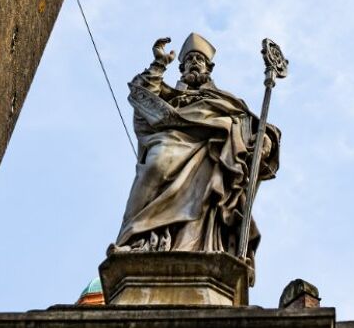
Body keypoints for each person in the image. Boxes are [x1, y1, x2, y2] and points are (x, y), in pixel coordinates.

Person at [112, 33, 279, 262]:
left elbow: (247, 123)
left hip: (210, 150)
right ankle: (134, 238)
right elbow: (142, 96)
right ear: (181, 68)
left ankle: (194, 245)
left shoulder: (224, 100)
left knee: (209, 190)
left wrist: (264, 138)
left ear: (209, 68)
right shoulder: (169, 94)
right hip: (170, 138)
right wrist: (159, 64)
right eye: (189, 59)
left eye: (199, 59)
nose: (194, 62)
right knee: (156, 166)